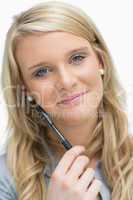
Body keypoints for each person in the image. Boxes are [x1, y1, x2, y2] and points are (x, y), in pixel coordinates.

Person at [0, 1, 133, 200]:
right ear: (25, 89)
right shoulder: (5, 180)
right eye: (42, 72)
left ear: (100, 61)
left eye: (77, 58)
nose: (67, 82)